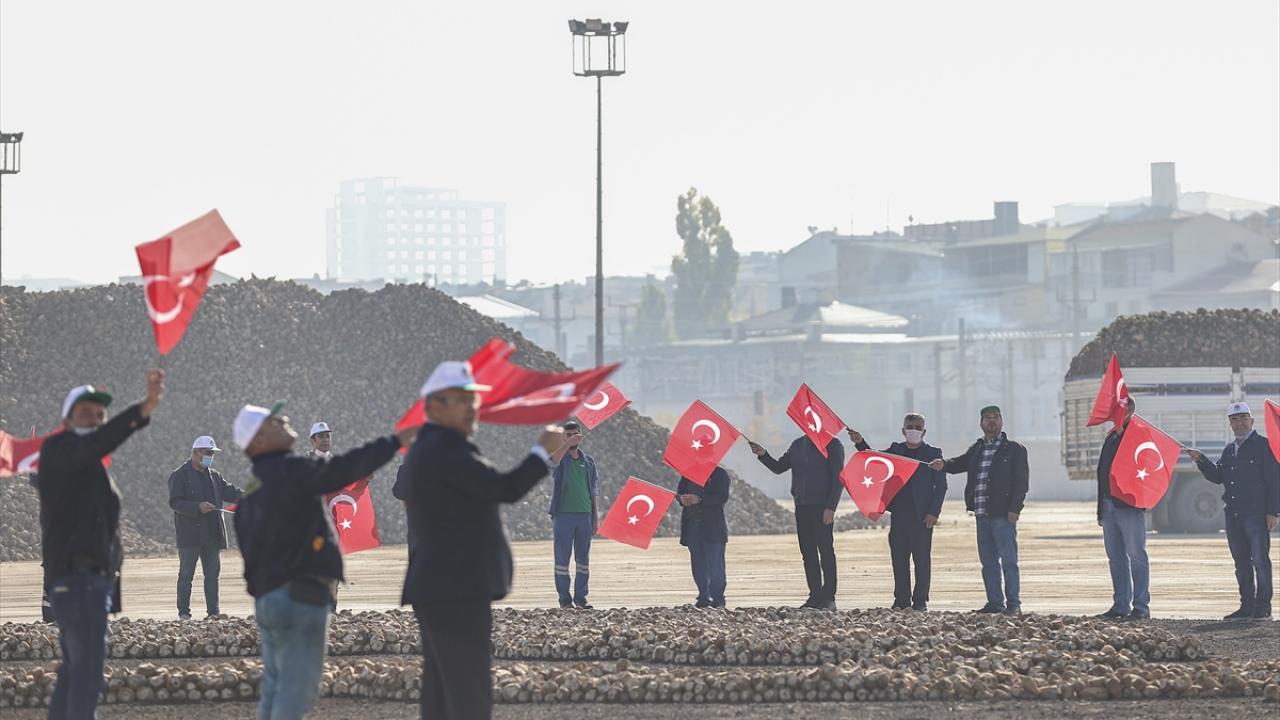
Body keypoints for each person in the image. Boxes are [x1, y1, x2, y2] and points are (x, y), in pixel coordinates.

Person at [232, 402, 415, 720]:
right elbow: (343, 468)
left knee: (275, 687)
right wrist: (395, 441)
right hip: (299, 597)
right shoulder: (292, 470)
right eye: (274, 421)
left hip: (268, 600)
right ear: (258, 441)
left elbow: (252, 555)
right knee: (296, 692)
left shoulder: (253, 488)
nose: (284, 419)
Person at [400, 361, 562, 720]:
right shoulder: (446, 449)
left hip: (441, 587)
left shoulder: (431, 447)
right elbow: (505, 488)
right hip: (455, 589)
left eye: (472, 399)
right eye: (461, 400)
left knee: (443, 693)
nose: (472, 407)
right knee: (467, 693)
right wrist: (541, 452)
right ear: (435, 406)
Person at [38, 369, 164, 720]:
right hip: (77, 582)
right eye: (85, 413)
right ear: (66, 420)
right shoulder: (60, 449)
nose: (94, 419)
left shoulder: (88, 465)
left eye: (99, 414)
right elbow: (96, 443)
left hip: (88, 583)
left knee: (73, 673)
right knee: (87, 677)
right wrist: (142, 409)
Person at [929, 405, 1029, 615]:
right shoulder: (978, 448)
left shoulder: (1014, 449)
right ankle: (995, 603)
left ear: (1001, 421)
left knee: (1009, 561)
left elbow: (1021, 482)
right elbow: (960, 463)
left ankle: (1013, 604)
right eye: (987, 418)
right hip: (982, 514)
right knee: (988, 562)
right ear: (981, 423)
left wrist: (1015, 508)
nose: (991, 421)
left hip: (1003, 515)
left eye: (995, 417)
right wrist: (943, 464)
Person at [1189, 401, 1280, 620]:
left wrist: (1273, 512)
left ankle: (1263, 608)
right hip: (1234, 514)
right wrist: (1201, 460)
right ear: (1230, 424)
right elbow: (1218, 477)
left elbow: (1274, 480)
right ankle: (1246, 606)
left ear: (1252, 421)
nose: (1239, 423)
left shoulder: (1264, 446)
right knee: (1241, 563)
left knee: (1260, 561)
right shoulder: (1230, 450)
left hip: (1256, 514)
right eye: (1234, 419)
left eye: (1243, 418)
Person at [849, 413, 946, 612]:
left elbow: (941, 486)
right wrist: (860, 443)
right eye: (910, 427)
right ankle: (901, 599)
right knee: (899, 559)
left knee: (922, 559)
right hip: (900, 513)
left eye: (918, 427)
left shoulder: (933, 454)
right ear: (903, 430)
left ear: (924, 431)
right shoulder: (896, 451)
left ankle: (920, 601)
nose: (914, 431)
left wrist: (933, 512)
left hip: (922, 516)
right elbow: (873, 458)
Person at [748, 434, 844, 609]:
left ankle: (829, 597)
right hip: (802, 506)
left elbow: (839, 479)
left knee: (826, 551)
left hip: (822, 507)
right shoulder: (798, 445)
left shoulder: (832, 444)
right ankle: (814, 595)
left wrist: (831, 506)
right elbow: (779, 467)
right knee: (808, 553)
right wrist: (763, 455)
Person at [168, 435, 243, 620]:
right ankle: (184, 613)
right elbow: (175, 502)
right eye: (208, 453)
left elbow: (231, 492)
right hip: (190, 535)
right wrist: (197, 507)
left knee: (212, 575)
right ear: (195, 452)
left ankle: (213, 613)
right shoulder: (179, 475)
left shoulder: (214, 476)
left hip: (212, 534)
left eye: (212, 453)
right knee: (186, 575)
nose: (210, 456)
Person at [1095, 397, 1150, 620]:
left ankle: (1141, 606)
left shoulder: (1137, 434)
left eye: (1120, 409)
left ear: (1130, 411)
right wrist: (1100, 510)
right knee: (1115, 557)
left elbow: (1139, 462)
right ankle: (1120, 604)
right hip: (1109, 505)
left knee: (1136, 555)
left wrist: (1123, 433)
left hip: (1129, 505)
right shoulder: (1110, 436)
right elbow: (1102, 474)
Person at [547, 421, 599, 609]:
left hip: (584, 515)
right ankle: (564, 598)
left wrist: (595, 517)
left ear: (580, 435)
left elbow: (594, 490)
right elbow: (550, 463)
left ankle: (581, 598)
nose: (572, 438)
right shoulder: (561, 459)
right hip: (563, 515)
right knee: (562, 559)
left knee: (583, 559)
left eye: (575, 434)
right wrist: (567, 444)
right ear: (563, 437)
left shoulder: (589, 462)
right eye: (568, 435)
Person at [678, 465, 731, 609]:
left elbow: (722, 497)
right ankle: (703, 596)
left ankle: (718, 598)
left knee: (715, 565)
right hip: (692, 526)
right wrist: (682, 499)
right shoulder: (688, 473)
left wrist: (700, 499)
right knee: (698, 564)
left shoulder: (719, 473)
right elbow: (680, 492)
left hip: (712, 527)